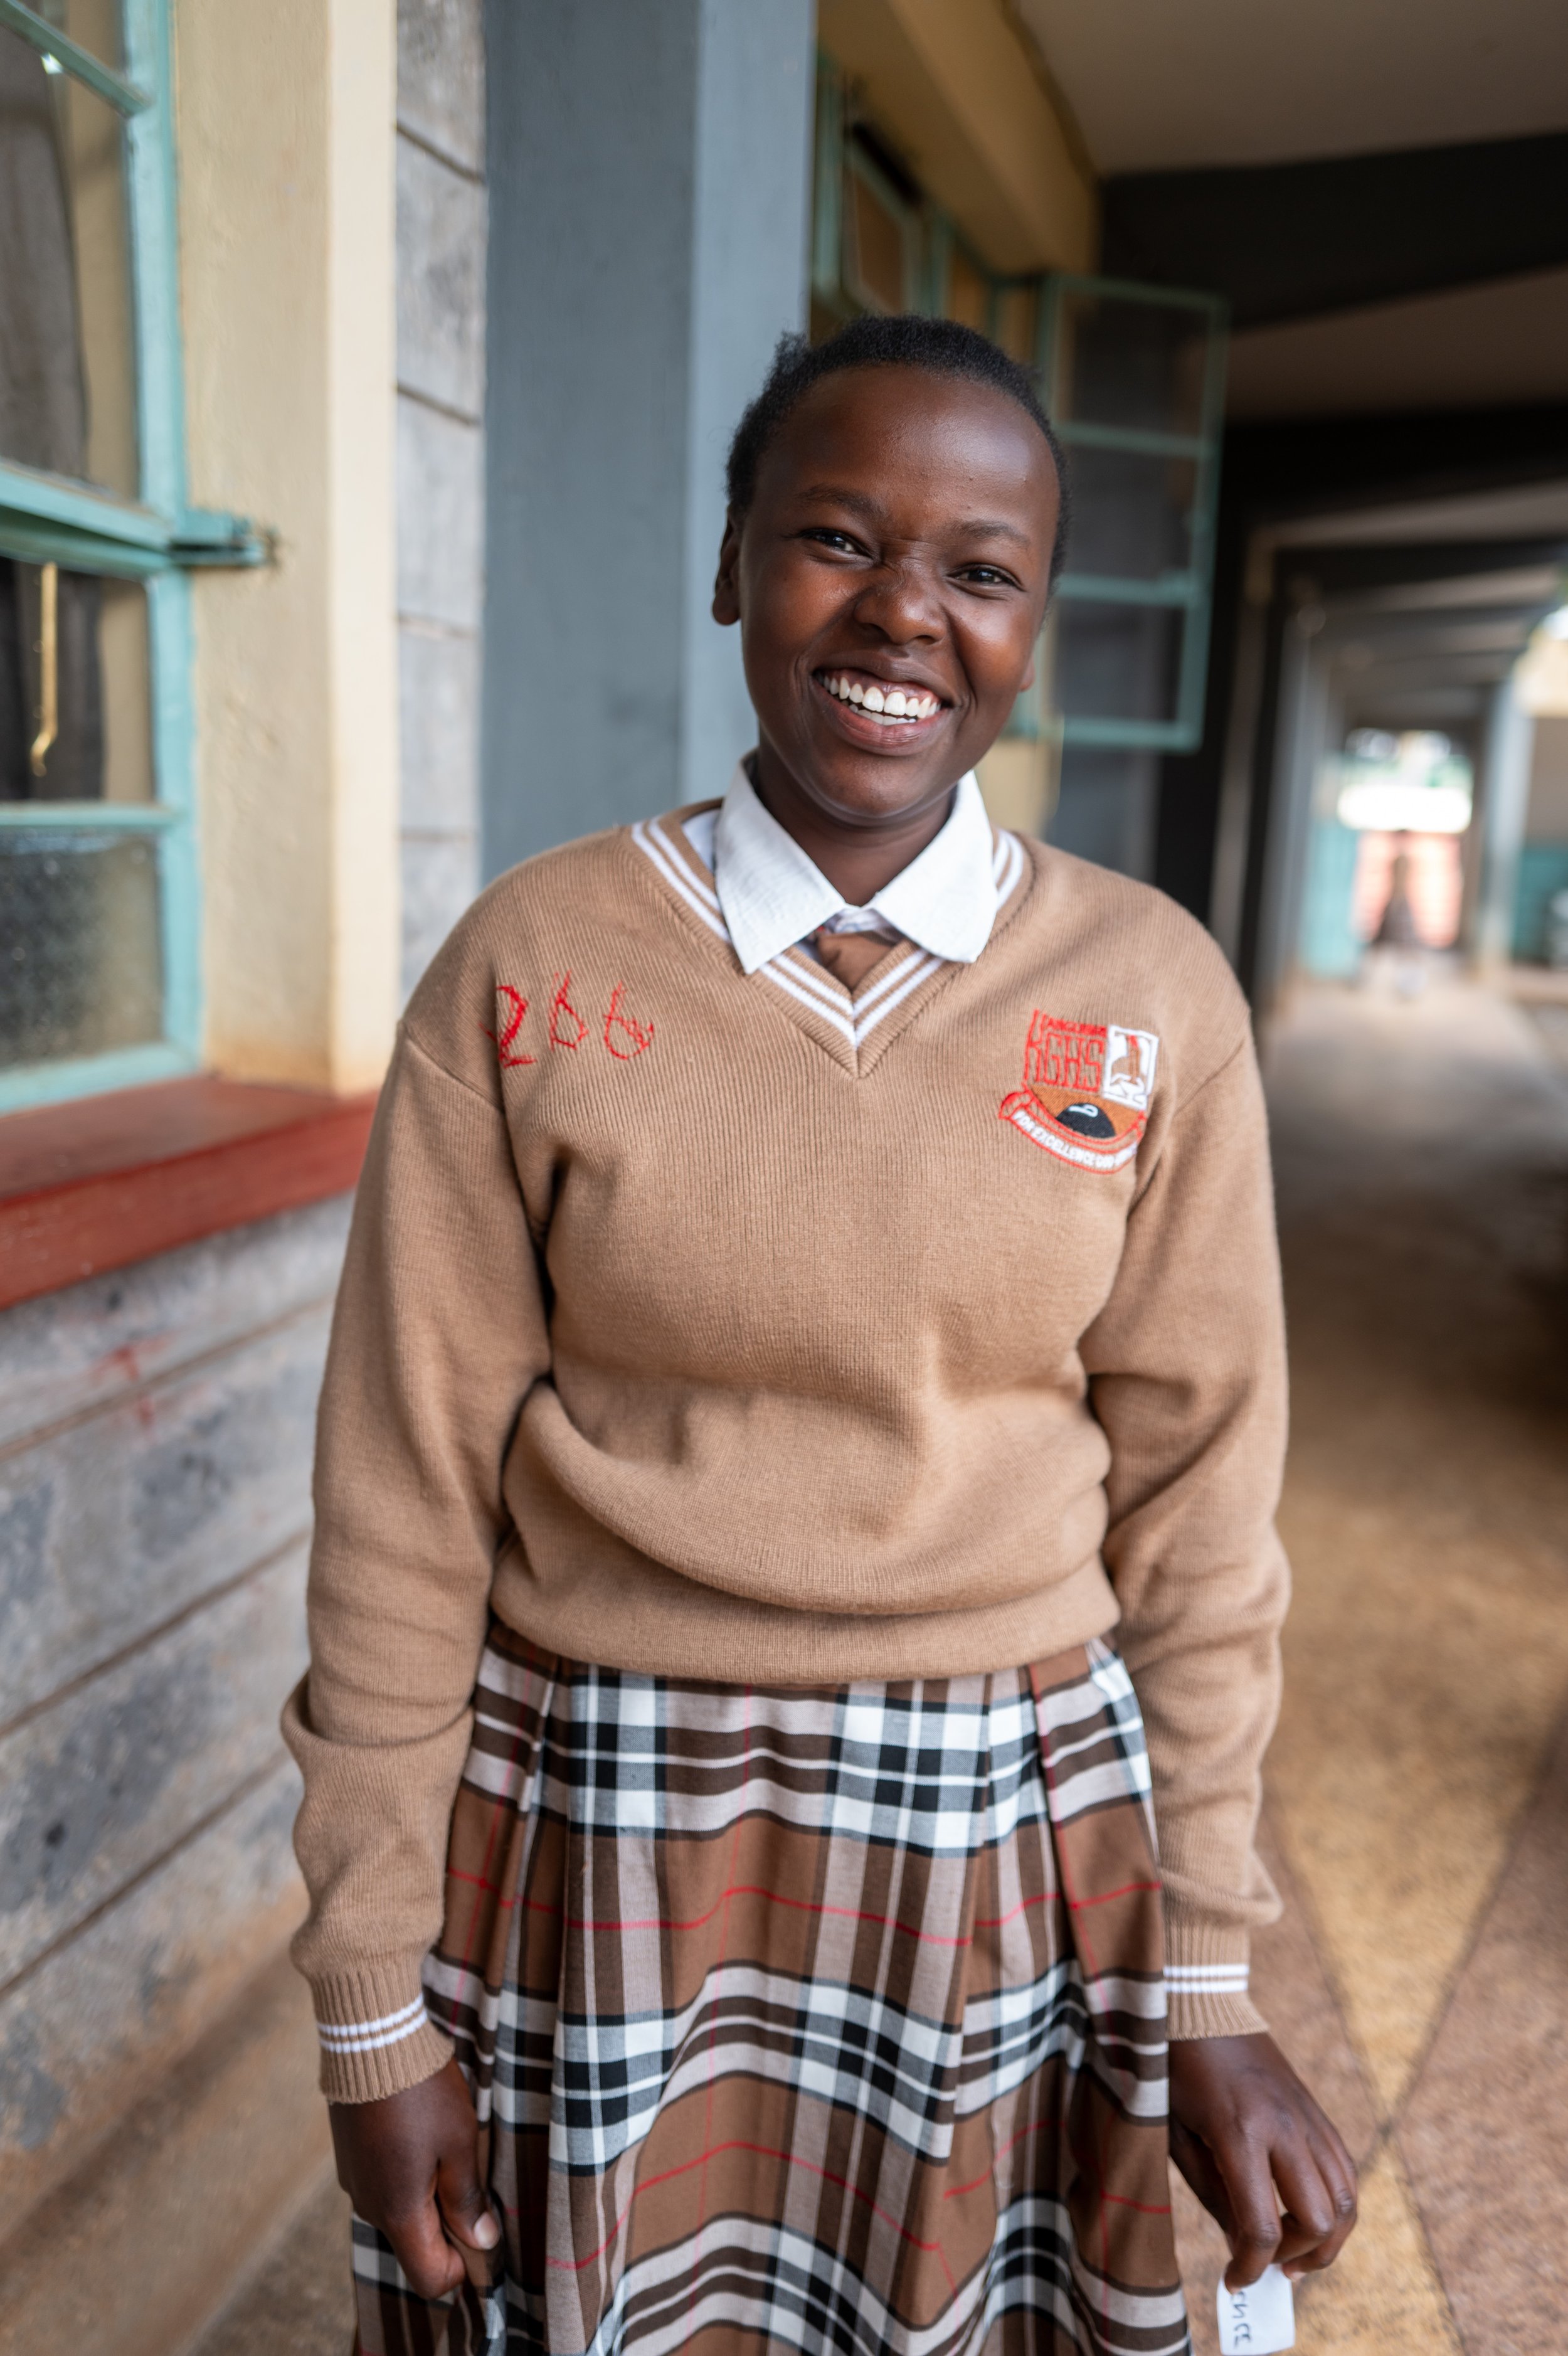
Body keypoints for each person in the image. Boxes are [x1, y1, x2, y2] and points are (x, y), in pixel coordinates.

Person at [284, 315, 1357, 2356]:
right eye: (833, 538)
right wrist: (371, 2005)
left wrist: (1200, 1982)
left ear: (1035, 618)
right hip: (599, 1821)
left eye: (978, 569)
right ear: (730, 566)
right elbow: (400, 1500)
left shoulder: (1146, 993)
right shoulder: (534, 963)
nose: (901, 615)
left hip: (1004, 1837)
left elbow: (1205, 1527)